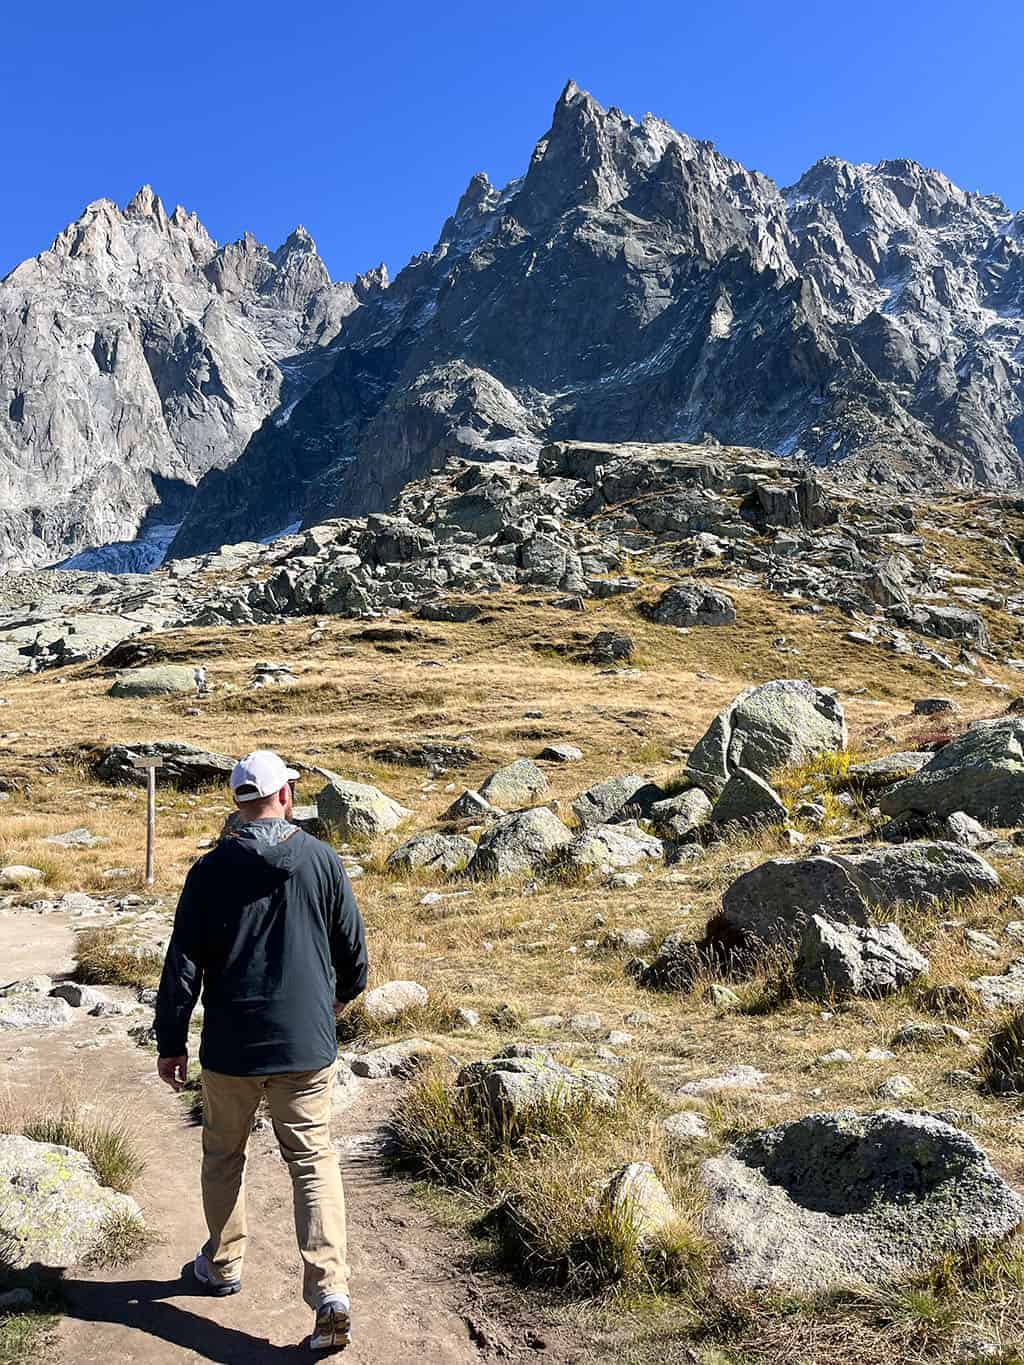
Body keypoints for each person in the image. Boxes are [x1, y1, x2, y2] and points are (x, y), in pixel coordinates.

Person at [154, 749, 367, 1352]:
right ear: (287, 796)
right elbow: (352, 951)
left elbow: (183, 966)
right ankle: (330, 1291)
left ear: (239, 804)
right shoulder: (322, 861)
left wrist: (170, 1041)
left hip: (230, 1049)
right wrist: (334, 1004)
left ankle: (222, 1265)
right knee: (313, 1160)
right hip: (304, 1045)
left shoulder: (210, 870)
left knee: (224, 1154)